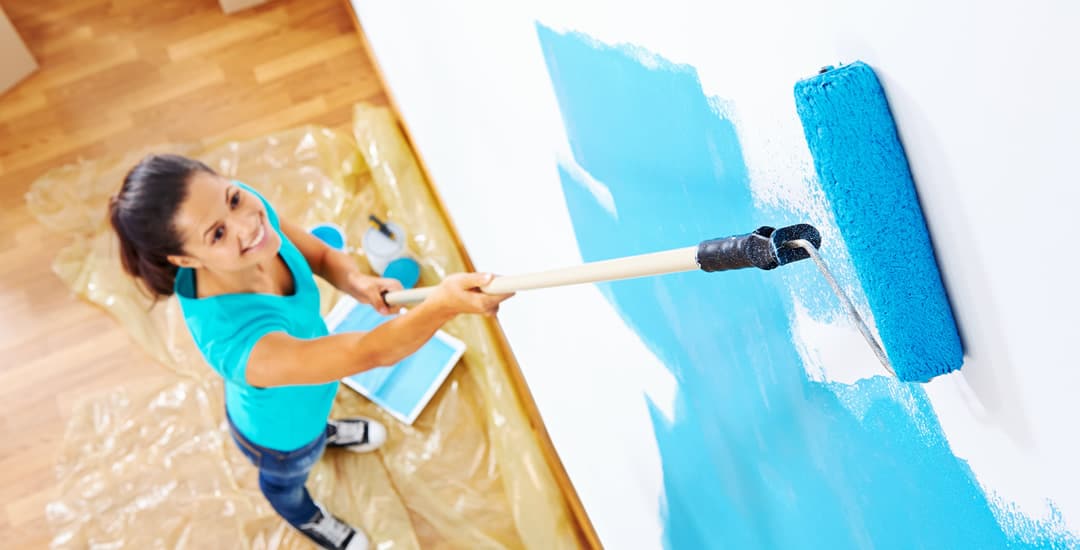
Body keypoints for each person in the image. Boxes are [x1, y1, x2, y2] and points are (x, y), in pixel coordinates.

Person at [107, 154, 513, 550]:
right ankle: (305, 516)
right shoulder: (236, 341)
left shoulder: (245, 212)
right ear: (184, 260)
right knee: (288, 478)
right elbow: (369, 351)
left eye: (233, 199)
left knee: (316, 423)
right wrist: (442, 305)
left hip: (311, 399)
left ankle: (325, 432)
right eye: (217, 234)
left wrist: (357, 281)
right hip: (279, 436)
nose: (248, 224)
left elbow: (317, 254)